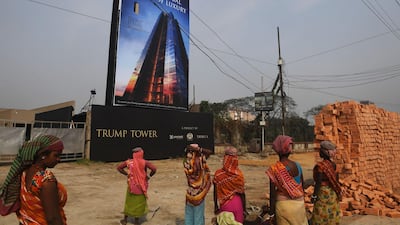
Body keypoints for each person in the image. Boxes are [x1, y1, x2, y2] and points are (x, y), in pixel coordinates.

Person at [0, 134, 67, 225]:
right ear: (43, 155)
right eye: (56, 155)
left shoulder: (24, 172)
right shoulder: (46, 180)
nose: (59, 159)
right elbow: (53, 219)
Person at [265, 135, 308, 225]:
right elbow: (302, 186)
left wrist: (272, 213)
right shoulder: (298, 166)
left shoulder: (274, 169)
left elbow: (272, 194)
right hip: (299, 205)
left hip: (283, 207)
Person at [117, 147, 157, 225]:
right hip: (141, 186)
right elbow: (154, 169)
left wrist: (127, 174)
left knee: (129, 202)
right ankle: (136, 221)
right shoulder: (145, 162)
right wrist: (149, 176)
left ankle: (125, 220)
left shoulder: (129, 162)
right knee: (139, 203)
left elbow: (119, 168)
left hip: (131, 185)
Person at [310, 140, 341, 225]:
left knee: (320, 214)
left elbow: (318, 182)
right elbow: (336, 181)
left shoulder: (320, 166)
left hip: (323, 193)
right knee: (332, 214)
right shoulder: (334, 165)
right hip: (332, 193)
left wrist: (314, 195)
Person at [213, 146, 246, 224]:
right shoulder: (239, 175)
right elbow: (242, 194)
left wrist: (215, 206)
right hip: (238, 204)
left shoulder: (218, 174)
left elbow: (215, 192)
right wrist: (244, 209)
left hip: (225, 206)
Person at [183, 143, 212, 225]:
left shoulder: (186, 162)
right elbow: (209, 152)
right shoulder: (199, 161)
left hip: (190, 193)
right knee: (198, 217)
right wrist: (200, 149)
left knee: (189, 216)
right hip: (199, 193)